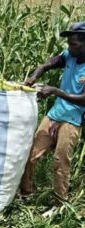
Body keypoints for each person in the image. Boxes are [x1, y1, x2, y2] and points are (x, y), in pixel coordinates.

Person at [20, 21, 85, 202]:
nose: (69, 47)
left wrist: (56, 91)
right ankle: (26, 194)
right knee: (31, 155)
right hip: (55, 114)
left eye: (74, 43)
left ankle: (59, 203)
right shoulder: (68, 56)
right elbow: (46, 65)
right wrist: (33, 77)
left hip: (72, 120)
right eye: (68, 43)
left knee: (60, 162)